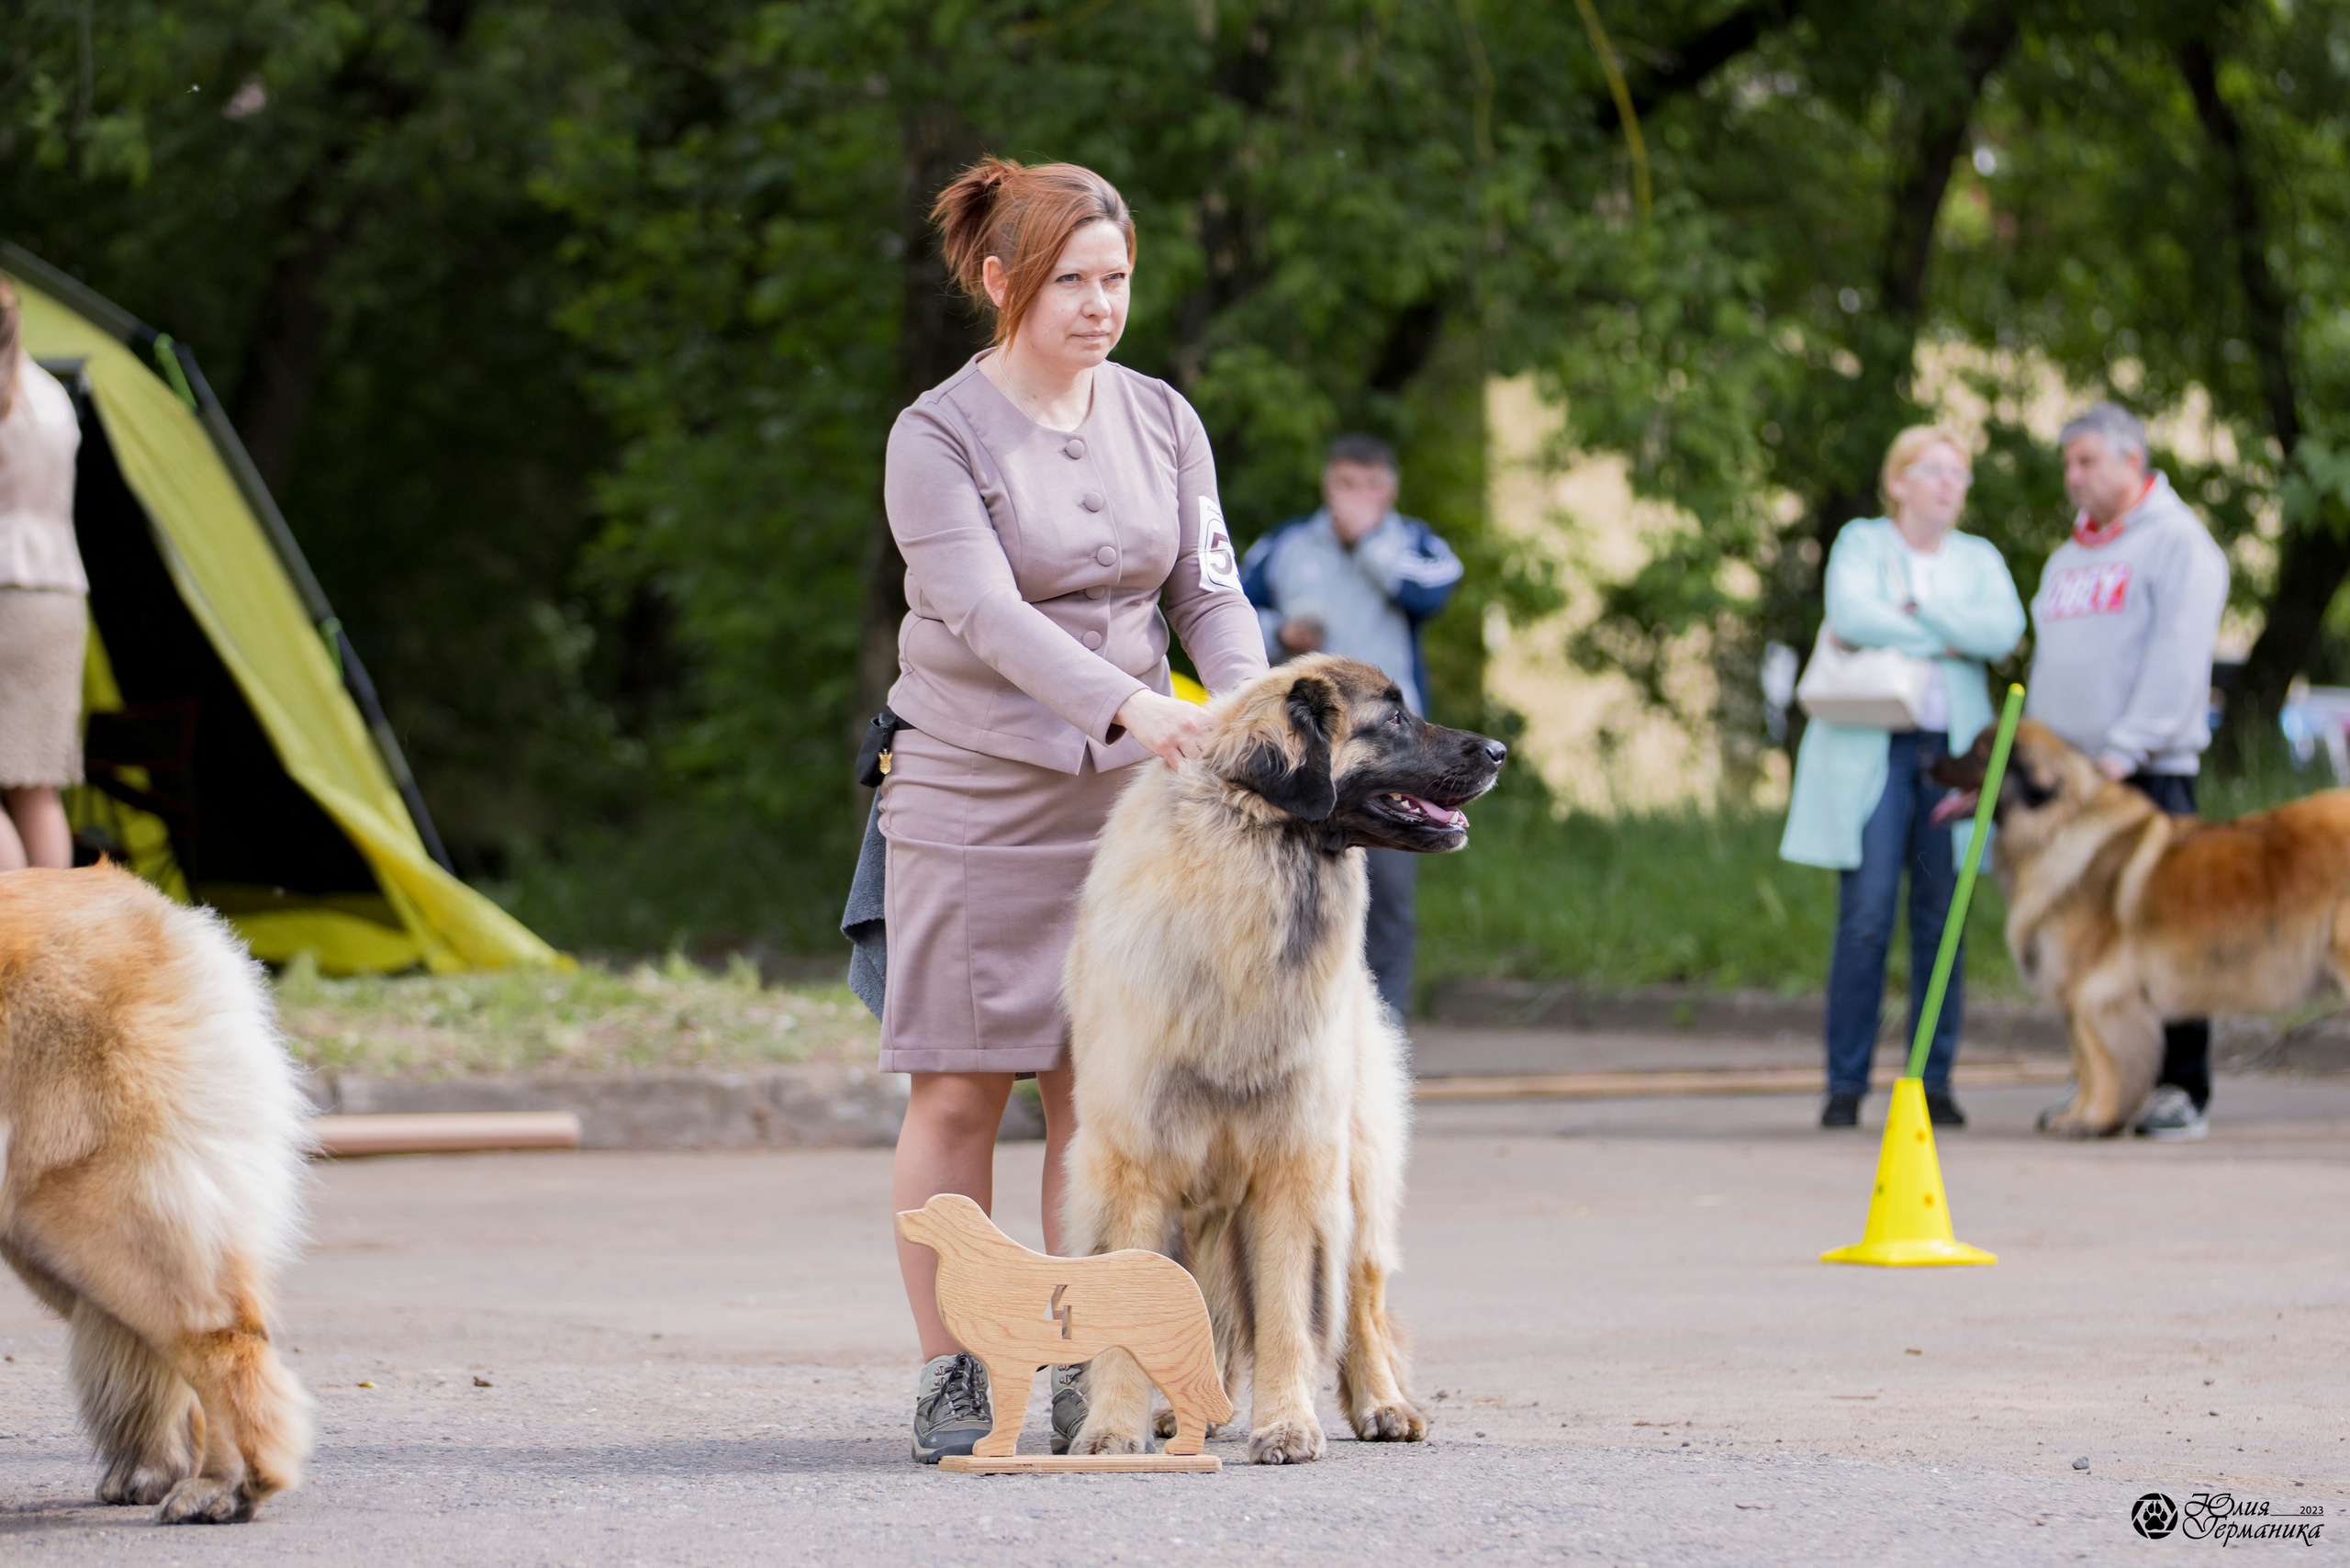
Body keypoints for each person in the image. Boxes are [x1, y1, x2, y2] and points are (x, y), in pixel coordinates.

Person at [876, 157, 1267, 1462]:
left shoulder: (1164, 417)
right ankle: (951, 1374)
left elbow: (1207, 590)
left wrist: (1257, 707)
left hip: (1128, 811)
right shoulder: (935, 438)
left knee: (1094, 1095)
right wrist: (1136, 706)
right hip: (974, 797)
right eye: (1073, 282)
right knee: (960, 1090)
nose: (1102, 306)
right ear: (1001, 281)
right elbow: (983, 616)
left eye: (1118, 280)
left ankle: (1075, 1355)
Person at [1781, 426, 2025, 1130]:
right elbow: (1851, 614)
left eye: (1960, 472)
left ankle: (1932, 1081)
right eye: (1935, 469)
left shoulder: (1978, 557)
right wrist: (1950, 633)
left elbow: (2002, 632)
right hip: (1874, 752)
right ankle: (1846, 1083)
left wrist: (1913, 615)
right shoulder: (1863, 542)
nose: (1951, 483)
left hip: (1949, 757)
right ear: (1899, 482)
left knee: (1941, 920)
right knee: (1866, 917)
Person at [2025, 402, 2228, 1140]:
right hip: (2070, 786)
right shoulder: (2066, 559)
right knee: (2086, 941)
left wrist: (2123, 752)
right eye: (2069, 464)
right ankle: (2104, 1082)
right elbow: (2053, 669)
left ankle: (2182, 1087)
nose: (2072, 477)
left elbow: (2178, 661)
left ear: (2130, 461)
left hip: (2143, 773)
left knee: (2169, 932)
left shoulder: (2179, 545)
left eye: (2085, 462)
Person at [1240, 434, 1461, 1015]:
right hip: (1301, 752)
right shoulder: (1287, 544)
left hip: (1390, 753)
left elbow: (1434, 590)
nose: (1354, 496)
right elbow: (1224, 605)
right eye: (1344, 484)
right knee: (1275, 897)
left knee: (1385, 900)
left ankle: (1384, 1032)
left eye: (1368, 486)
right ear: (1326, 483)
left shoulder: (1412, 543)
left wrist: (1367, 541)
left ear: (1389, 491)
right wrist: (1280, 634)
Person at [0, 279, 88, 871]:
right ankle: (54, 936)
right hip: (60, 597)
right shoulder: (52, 394)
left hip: (4, 591)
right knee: (38, 785)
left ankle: (10, 929)